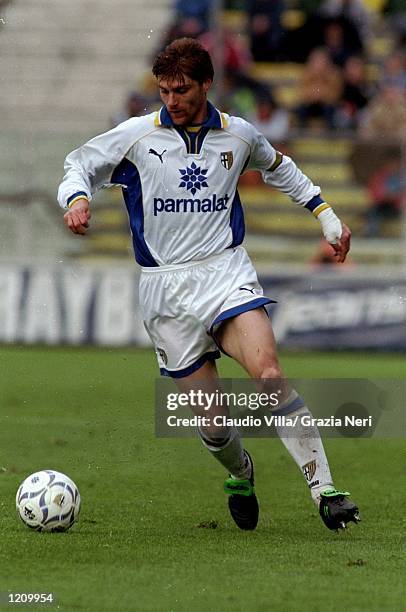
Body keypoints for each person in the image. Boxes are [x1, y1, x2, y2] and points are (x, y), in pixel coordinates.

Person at [58, 37, 359, 532]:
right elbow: (79, 163)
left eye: (181, 90)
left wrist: (325, 214)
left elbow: (278, 166)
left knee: (269, 376)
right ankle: (241, 472)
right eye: (163, 90)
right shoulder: (136, 135)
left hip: (225, 273)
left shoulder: (237, 136)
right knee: (215, 426)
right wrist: (76, 199)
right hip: (165, 291)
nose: (172, 100)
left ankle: (325, 491)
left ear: (206, 84)